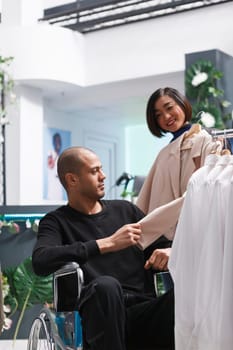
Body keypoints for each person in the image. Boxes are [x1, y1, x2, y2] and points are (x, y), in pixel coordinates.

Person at [32, 146, 175, 350]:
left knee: (182, 298)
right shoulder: (57, 222)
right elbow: (41, 260)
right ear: (72, 180)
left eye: (101, 169)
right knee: (106, 286)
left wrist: (169, 251)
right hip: (97, 317)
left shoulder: (126, 211)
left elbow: (163, 245)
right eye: (94, 171)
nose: (103, 176)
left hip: (142, 312)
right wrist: (106, 244)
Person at [136, 87, 223, 260]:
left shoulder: (207, 142)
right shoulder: (163, 154)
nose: (166, 117)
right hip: (163, 241)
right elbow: (146, 202)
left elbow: (204, 194)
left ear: (182, 104)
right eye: (158, 115)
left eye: (169, 108)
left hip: (197, 235)